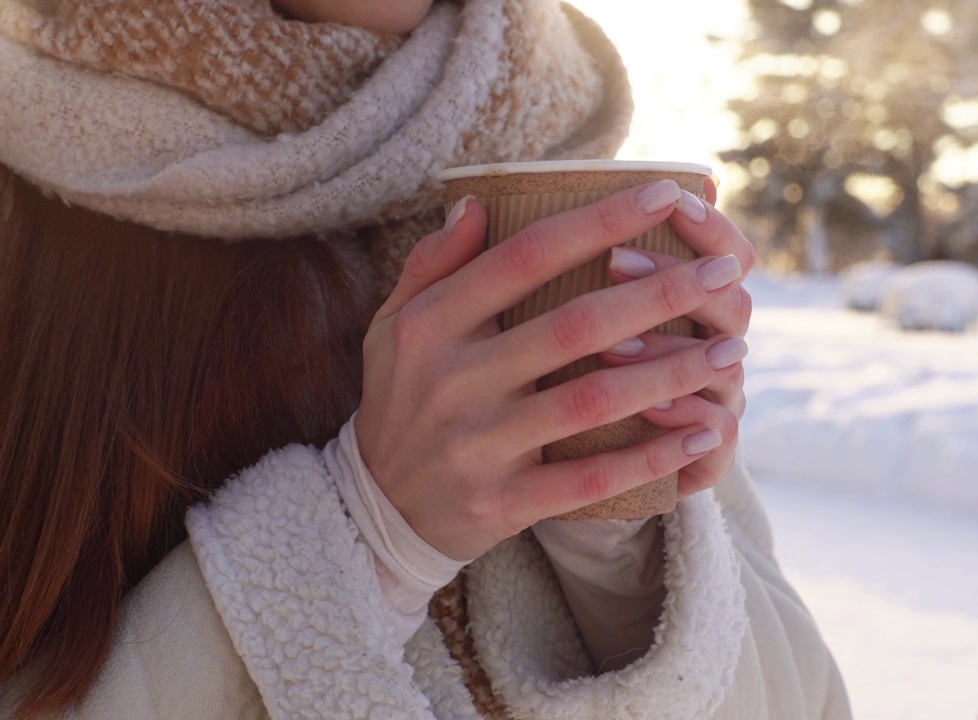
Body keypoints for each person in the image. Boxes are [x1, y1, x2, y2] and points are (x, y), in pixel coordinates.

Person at [0, 0, 851, 717]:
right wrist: (366, 536)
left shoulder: (560, 172)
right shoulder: (25, 199)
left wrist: (616, 530)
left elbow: (805, 700)